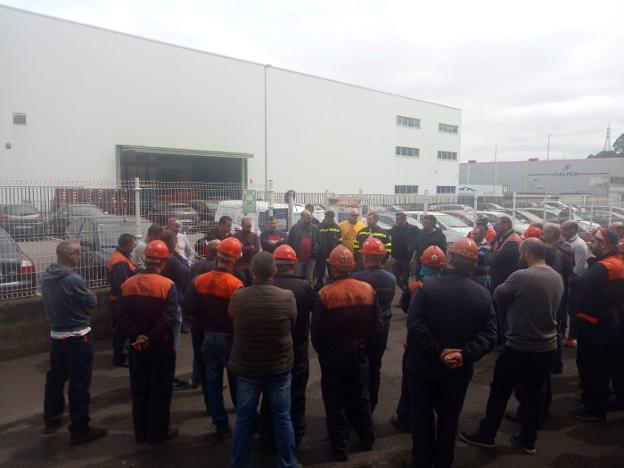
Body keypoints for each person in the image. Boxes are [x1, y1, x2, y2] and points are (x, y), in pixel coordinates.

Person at [461, 238, 563, 455]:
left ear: (527, 253)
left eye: (520, 252)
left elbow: (497, 294)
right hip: (547, 345)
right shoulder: (556, 276)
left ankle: (487, 434)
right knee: (536, 394)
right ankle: (528, 439)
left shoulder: (522, 276)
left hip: (519, 345)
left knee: (500, 391)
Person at [407, 238, 497, 467]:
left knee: (422, 415)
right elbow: (490, 336)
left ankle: (422, 460)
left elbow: (415, 325)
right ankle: (444, 461)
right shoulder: (483, 295)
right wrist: (463, 355)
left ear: (450, 259)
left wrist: (439, 352)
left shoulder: (426, 289)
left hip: (424, 368)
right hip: (458, 371)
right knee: (449, 418)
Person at [311, 245, 383, 462]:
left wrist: (325, 354)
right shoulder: (368, 290)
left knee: (335, 402)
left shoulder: (325, 294)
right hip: (359, 352)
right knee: (361, 397)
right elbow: (377, 327)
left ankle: (339, 448)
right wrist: (367, 350)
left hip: (334, 353)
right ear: (353, 266)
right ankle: (367, 439)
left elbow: (316, 333)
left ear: (332, 269)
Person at [228, 252, 299, 467]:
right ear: (274, 271)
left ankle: (238, 463)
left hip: (246, 367)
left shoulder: (238, 296)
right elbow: (293, 324)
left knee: (243, 418)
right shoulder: (286, 297)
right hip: (278, 367)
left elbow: (232, 318)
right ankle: (288, 462)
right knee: (282, 416)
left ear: (251, 271)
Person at [42, 240, 107, 444]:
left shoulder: (47, 276)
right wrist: (90, 293)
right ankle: (80, 429)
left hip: (57, 335)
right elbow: (91, 302)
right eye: (78, 253)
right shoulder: (73, 279)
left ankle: (52, 418)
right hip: (78, 336)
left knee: (55, 378)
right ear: (69, 256)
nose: (80, 257)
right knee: (79, 383)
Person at [183, 237, 244, 439]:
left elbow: (189, 310)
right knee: (236, 379)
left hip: (207, 337)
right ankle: (241, 415)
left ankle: (219, 422)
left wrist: (199, 330)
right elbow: (240, 316)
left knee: (212, 380)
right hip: (229, 339)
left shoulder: (199, 281)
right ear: (234, 260)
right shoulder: (236, 284)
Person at [119, 240, 179, 444]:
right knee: (160, 389)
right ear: (163, 262)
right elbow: (169, 317)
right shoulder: (167, 285)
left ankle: (141, 432)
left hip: (137, 346)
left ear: (145, 259)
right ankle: (157, 433)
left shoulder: (127, 284)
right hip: (160, 345)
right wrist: (151, 337)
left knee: (139, 389)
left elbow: (122, 316)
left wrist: (138, 336)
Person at [259, 244, 317, 447]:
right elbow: (317, 314)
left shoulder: (264, 286)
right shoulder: (304, 287)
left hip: (269, 348)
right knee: (297, 393)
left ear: (276, 264)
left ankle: (267, 435)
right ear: (294, 264)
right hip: (297, 348)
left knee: (269, 393)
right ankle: (296, 435)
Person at [569, 228, 624, 421]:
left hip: (596, 323)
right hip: (605, 321)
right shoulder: (615, 262)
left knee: (593, 368)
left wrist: (578, 272)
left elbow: (577, 282)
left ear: (604, 244)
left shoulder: (605, 266)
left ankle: (594, 410)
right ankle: (593, 403)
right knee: (599, 367)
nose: (590, 244)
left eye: (594, 241)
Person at [392, 245, 447, 433]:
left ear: (422, 265)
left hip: (416, 343)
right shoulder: (449, 288)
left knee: (410, 381)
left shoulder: (414, 288)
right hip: (442, 344)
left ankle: (404, 415)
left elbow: (406, 309)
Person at [353, 237, 397, 412]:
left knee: (358, 367)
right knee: (375, 366)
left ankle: (358, 406)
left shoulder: (356, 278)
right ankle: (371, 405)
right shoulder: (391, 279)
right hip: (381, 330)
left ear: (363, 256)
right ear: (382, 257)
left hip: (359, 330)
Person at [161, 230, 191, 389]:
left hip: (163, 300)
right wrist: (180, 256)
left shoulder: (160, 257)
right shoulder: (172, 259)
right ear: (172, 244)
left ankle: (164, 377)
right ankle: (169, 379)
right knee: (172, 344)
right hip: (173, 301)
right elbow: (186, 272)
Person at [541, 224, 573, 375]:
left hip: (556, 293)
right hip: (563, 290)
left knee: (553, 326)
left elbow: (554, 272)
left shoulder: (556, 251)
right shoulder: (566, 247)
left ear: (552, 234)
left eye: (545, 232)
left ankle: (555, 362)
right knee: (556, 326)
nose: (542, 235)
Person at [489, 215, 522, 344]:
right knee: (498, 312)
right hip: (498, 280)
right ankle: (500, 337)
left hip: (505, 281)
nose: (495, 226)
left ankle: (504, 340)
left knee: (504, 313)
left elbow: (494, 259)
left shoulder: (512, 241)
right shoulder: (501, 238)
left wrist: (491, 257)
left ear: (506, 225)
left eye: (497, 224)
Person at [107, 233, 137, 367]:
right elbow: (122, 284)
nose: (135, 245)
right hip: (119, 301)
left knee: (122, 330)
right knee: (121, 331)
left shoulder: (123, 257)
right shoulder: (119, 261)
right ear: (127, 244)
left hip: (119, 300)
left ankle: (121, 355)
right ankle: (119, 358)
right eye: (133, 243)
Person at [561, 220, 589, 348]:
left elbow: (578, 267)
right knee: (565, 307)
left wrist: (570, 281)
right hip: (566, 280)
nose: (562, 231)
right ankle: (564, 332)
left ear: (573, 229)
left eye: (565, 228)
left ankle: (572, 337)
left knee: (573, 310)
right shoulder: (566, 242)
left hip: (574, 281)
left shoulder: (579, 245)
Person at [390, 212, 420, 289]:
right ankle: (405, 291)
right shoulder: (395, 229)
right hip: (396, 258)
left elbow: (416, 244)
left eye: (398, 219)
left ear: (404, 219)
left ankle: (406, 294)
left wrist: (413, 258)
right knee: (394, 278)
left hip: (407, 259)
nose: (396, 221)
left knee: (405, 279)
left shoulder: (412, 229)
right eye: (396, 220)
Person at [287, 210, 319, 282]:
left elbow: (318, 242)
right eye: (308, 218)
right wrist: (293, 257)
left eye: (310, 218)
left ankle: (309, 293)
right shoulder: (294, 228)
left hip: (310, 260)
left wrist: (314, 255)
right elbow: (289, 242)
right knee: (297, 278)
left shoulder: (315, 228)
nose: (310, 220)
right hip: (298, 259)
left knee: (309, 279)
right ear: (302, 218)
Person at [411, 214, 446, 279]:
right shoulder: (421, 233)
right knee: (419, 281)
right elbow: (416, 246)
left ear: (432, 223)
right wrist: (413, 258)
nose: (423, 224)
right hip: (420, 262)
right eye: (423, 222)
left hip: (432, 265)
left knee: (432, 282)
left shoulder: (440, 236)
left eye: (425, 222)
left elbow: (443, 251)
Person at [315, 210, 341, 290]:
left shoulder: (337, 228)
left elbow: (340, 240)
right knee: (320, 272)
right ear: (325, 217)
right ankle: (319, 287)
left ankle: (332, 286)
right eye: (327, 218)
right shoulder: (319, 227)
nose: (329, 220)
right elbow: (316, 240)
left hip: (333, 254)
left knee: (332, 272)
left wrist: (337, 250)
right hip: (321, 254)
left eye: (331, 219)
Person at [233, 217, 260, 286]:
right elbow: (238, 249)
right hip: (240, 264)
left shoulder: (254, 236)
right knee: (242, 280)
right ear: (242, 225)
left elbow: (256, 249)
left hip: (251, 264)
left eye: (250, 226)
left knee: (252, 281)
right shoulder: (236, 235)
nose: (249, 228)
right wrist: (250, 248)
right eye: (247, 226)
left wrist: (244, 248)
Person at [471, 225, 492, 289]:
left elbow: (480, 256)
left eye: (476, 234)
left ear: (483, 235)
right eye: (473, 234)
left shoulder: (487, 246)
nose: (474, 236)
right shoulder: (472, 243)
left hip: (482, 277)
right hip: (472, 276)